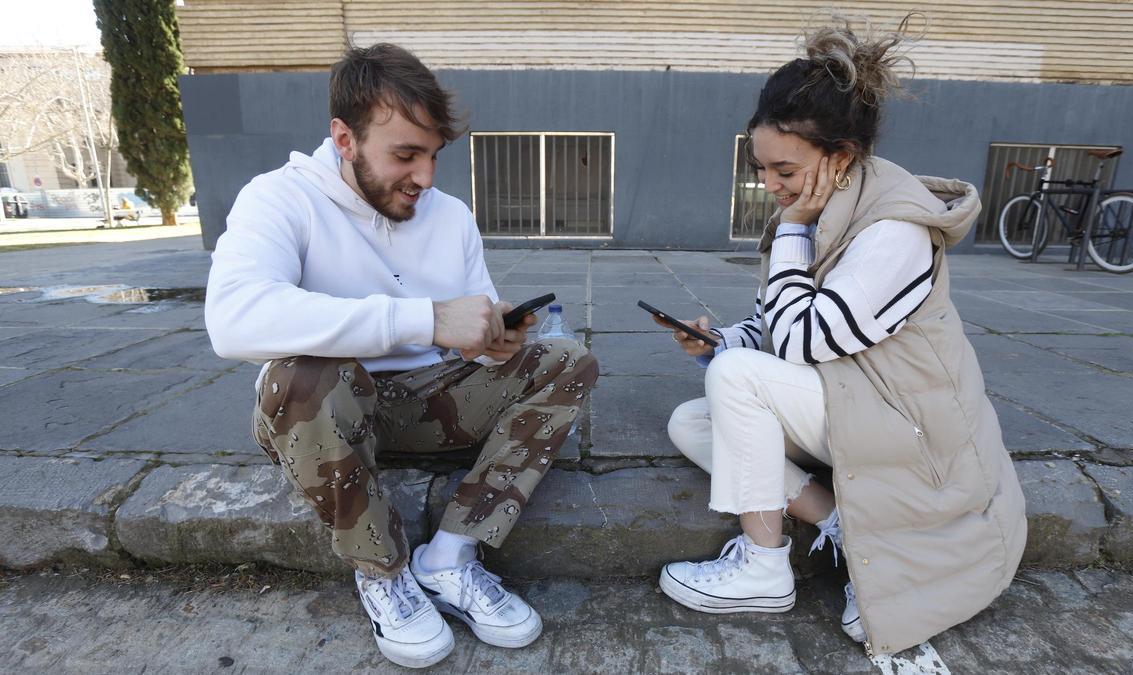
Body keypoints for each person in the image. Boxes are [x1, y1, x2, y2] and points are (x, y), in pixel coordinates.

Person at [204, 44, 598, 669]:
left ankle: (449, 558)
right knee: (304, 372)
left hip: (429, 401)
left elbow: (478, 329)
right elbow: (232, 320)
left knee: (568, 358)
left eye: (433, 155)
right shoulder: (277, 199)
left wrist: (495, 343)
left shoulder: (452, 217)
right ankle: (383, 571)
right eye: (406, 155)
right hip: (324, 420)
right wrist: (426, 318)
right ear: (344, 139)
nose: (426, 177)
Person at [657, 18, 1026, 656]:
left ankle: (763, 568)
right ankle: (849, 532)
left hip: (913, 424)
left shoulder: (895, 230)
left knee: (734, 383)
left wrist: (794, 230)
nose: (770, 185)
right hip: (857, 399)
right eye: (760, 169)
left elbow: (805, 340)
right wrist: (725, 339)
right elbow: (784, 324)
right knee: (693, 422)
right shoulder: (828, 206)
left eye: (784, 170)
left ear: (840, 158)